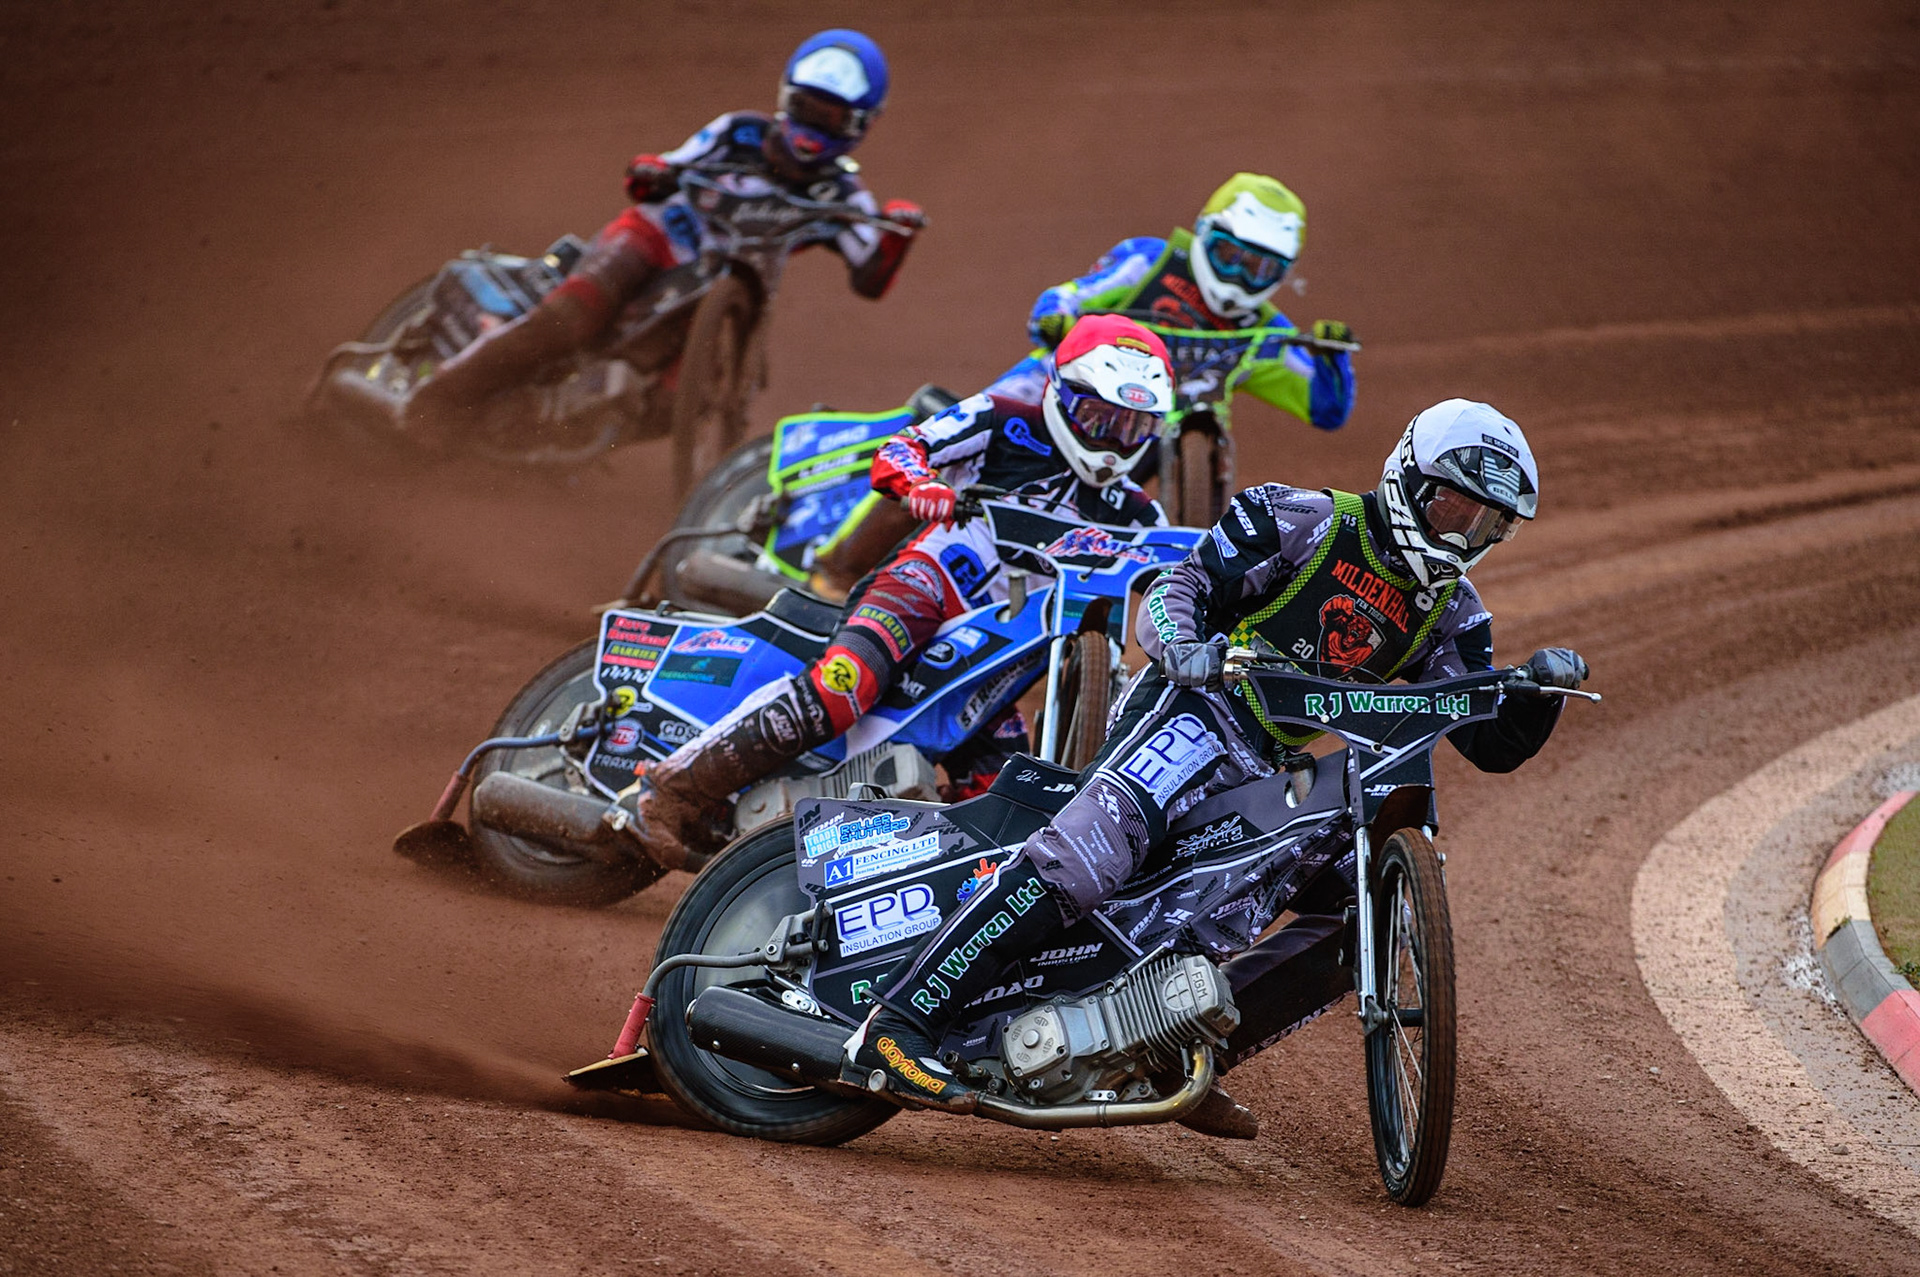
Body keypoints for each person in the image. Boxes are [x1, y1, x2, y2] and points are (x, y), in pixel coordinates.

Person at [845, 398, 1590, 1138]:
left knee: (1358, 909)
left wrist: (1537, 693)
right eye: (1455, 507)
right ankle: (898, 1022)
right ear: (1408, 479)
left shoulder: (1453, 612)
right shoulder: (1302, 519)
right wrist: (1184, 647)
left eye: (1488, 522)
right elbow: (1178, 587)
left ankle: (1178, 1057)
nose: (1466, 533)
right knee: (1088, 859)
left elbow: (1489, 743)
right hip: (1190, 709)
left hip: (1269, 760)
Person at [628, 314, 1178, 868]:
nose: (1113, 441)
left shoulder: (1137, 514)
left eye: (1133, 428)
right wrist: (925, 487)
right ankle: (670, 792)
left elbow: (1182, 587)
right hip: (926, 588)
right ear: (1061, 392)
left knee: (1010, 797)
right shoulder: (1005, 419)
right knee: (846, 686)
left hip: (999, 660)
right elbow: (900, 450)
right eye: (1099, 418)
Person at [405, 30, 924, 439]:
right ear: (788, 98)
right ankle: (437, 402)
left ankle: (558, 435)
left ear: (860, 124)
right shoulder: (738, 131)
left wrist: (898, 233)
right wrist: (652, 169)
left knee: (683, 402)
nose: (814, 128)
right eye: (809, 109)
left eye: (832, 118)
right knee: (574, 316)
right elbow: (660, 171)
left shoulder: (843, 193)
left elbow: (870, 274)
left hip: (720, 298)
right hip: (656, 239)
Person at [992, 173, 1356, 433]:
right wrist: (1055, 320)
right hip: (1069, 387)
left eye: (1260, 269)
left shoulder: (1266, 331)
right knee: (993, 412)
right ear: (1203, 231)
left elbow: (1326, 410)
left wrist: (1332, 357)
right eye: (1229, 255)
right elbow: (1070, 295)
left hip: (1158, 429)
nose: (1237, 277)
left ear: (1283, 274)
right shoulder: (1149, 261)